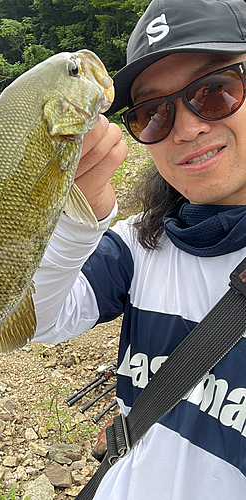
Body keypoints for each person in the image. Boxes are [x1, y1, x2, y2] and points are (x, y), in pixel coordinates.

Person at [32, 0, 246, 498]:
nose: (187, 128)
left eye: (216, 92)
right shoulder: (140, 242)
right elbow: (38, 320)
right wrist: (75, 223)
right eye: (154, 113)